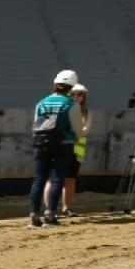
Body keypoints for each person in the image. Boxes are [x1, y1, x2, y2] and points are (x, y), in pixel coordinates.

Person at [29, 68, 78, 228]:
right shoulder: (71, 104)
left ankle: (34, 215)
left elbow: (36, 123)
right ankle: (50, 215)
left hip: (40, 143)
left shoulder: (41, 102)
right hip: (63, 144)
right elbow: (77, 127)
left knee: (38, 179)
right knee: (57, 178)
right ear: (72, 87)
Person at [45, 83, 89, 218]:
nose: (76, 96)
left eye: (80, 94)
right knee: (52, 180)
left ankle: (66, 208)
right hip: (61, 148)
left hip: (76, 152)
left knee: (70, 180)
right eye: (73, 93)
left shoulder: (85, 112)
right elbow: (81, 130)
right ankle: (49, 209)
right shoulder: (64, 108)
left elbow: (85, 131)